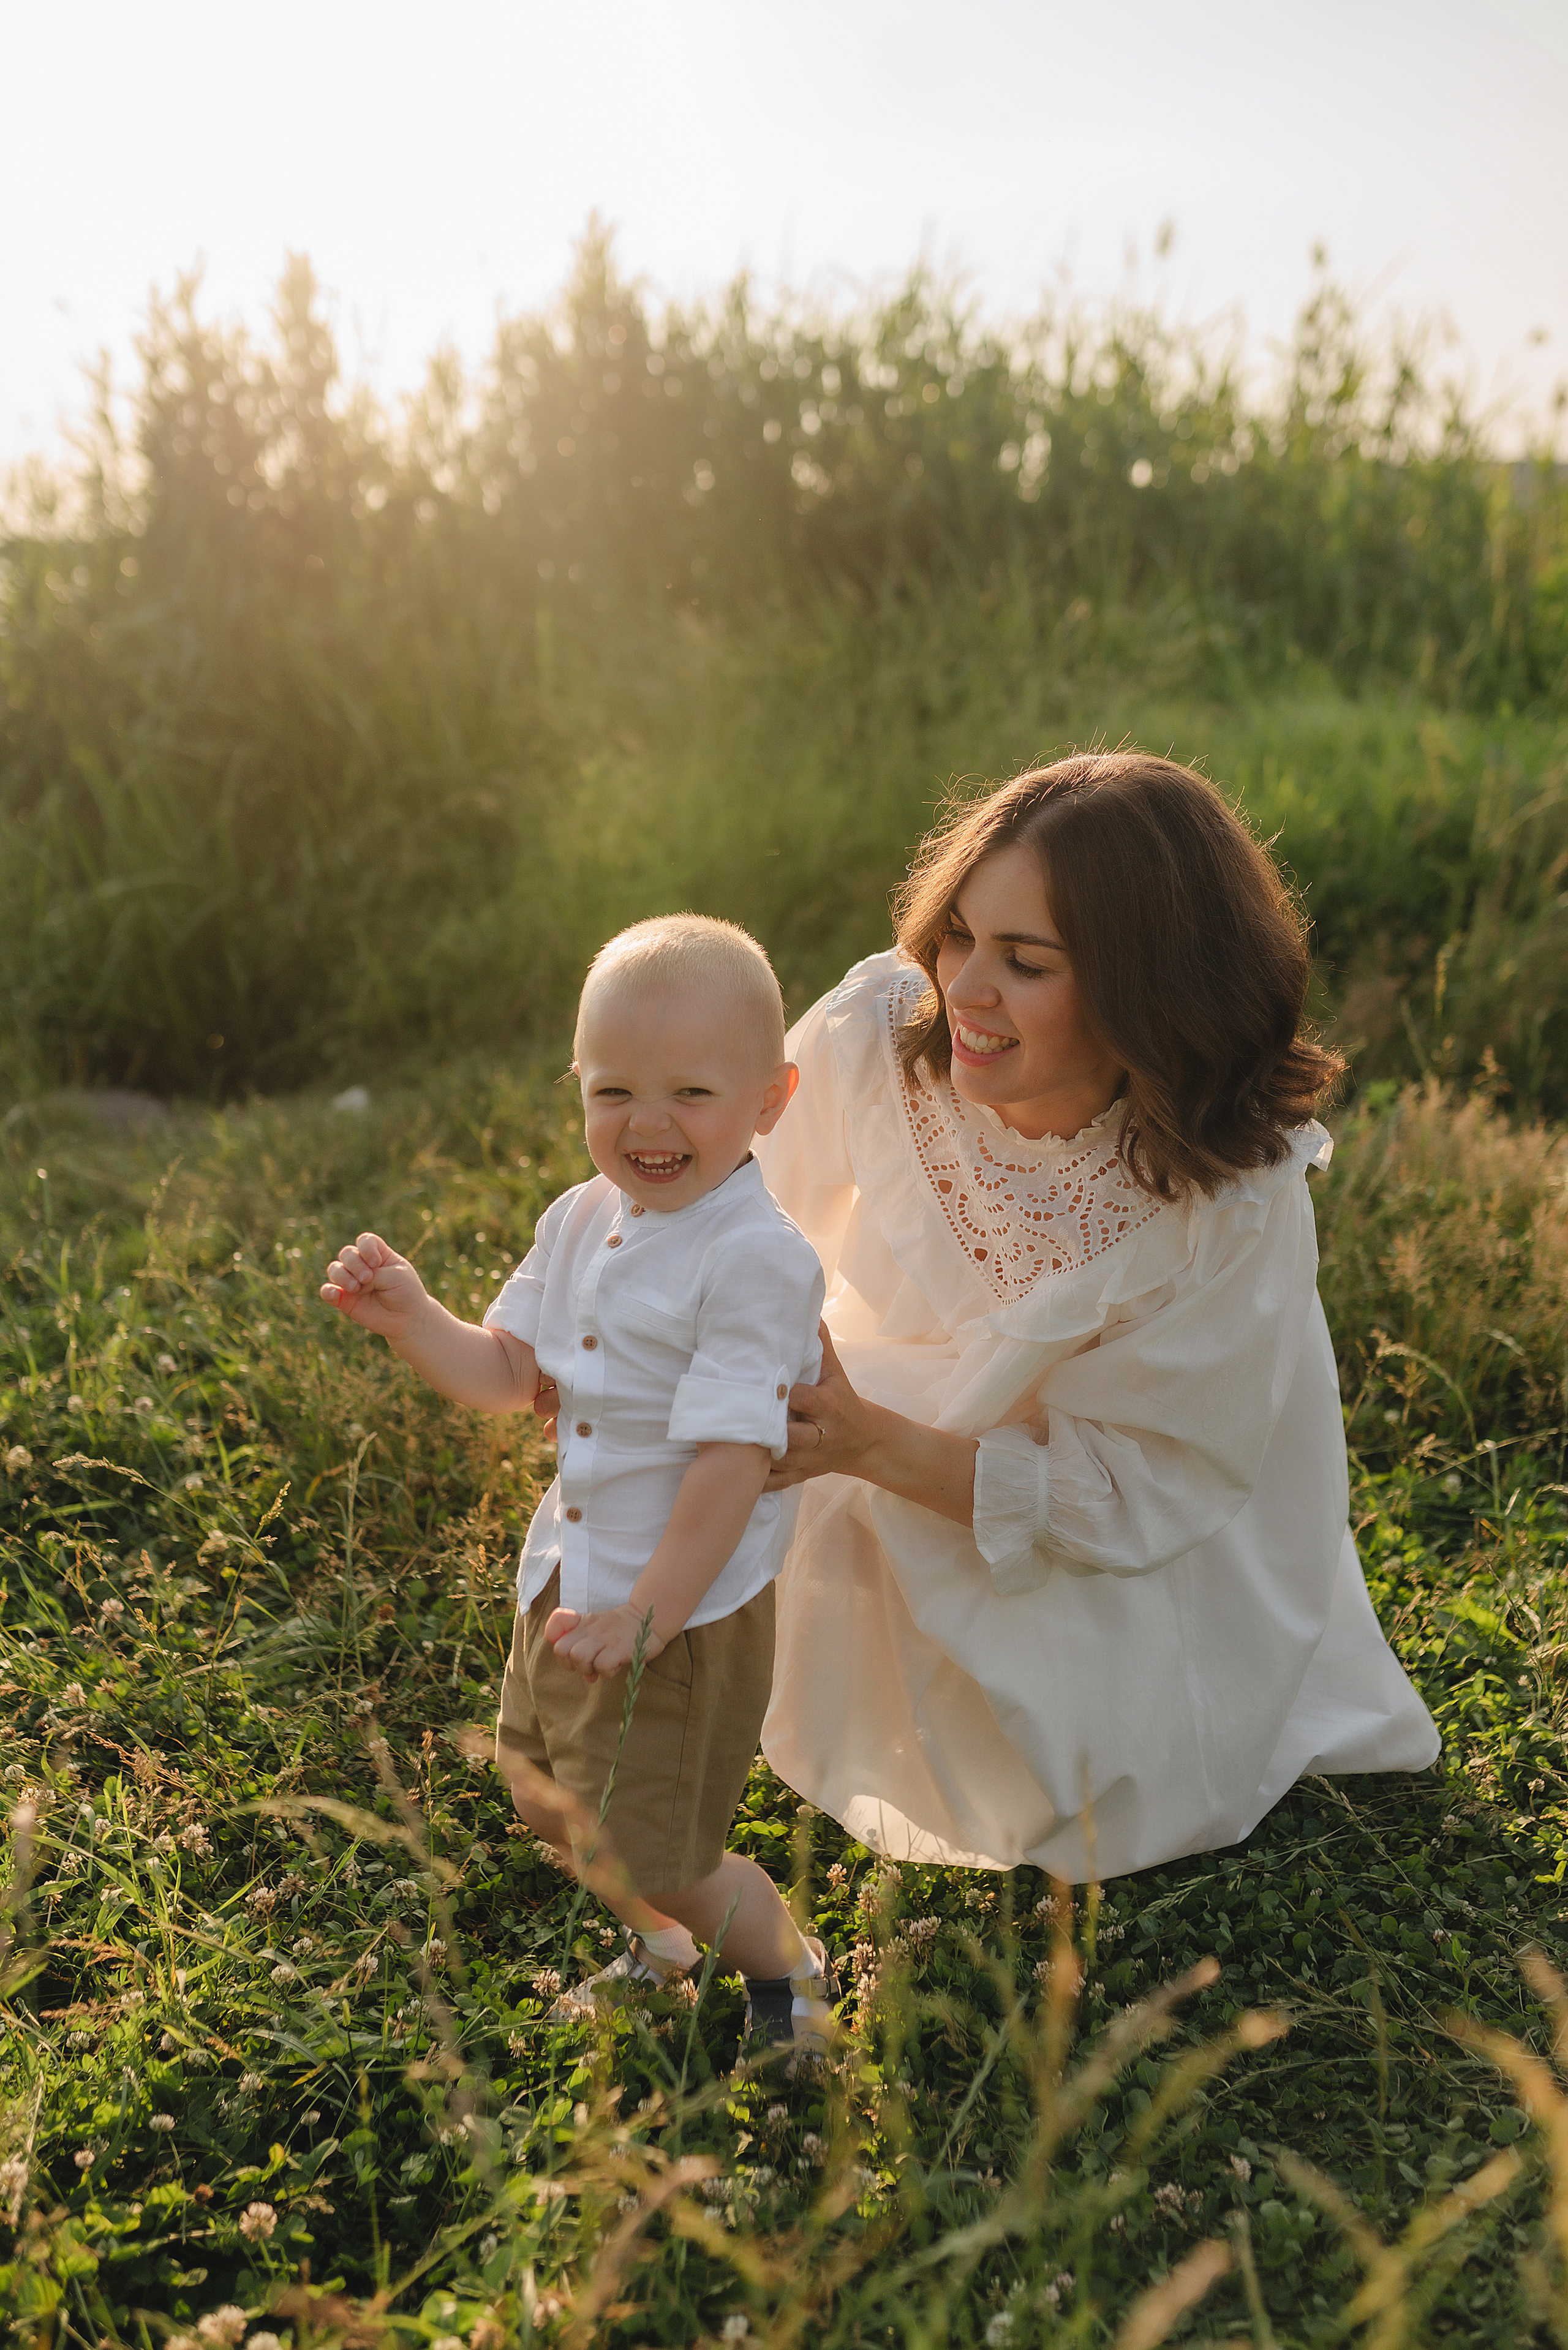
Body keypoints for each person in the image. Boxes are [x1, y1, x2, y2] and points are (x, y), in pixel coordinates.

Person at [755, 753, 1439, 1883]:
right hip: (899, 1418)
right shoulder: (882, 1029)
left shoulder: (1228, 1200)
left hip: (1120, 1534)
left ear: (1145, 987)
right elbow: (732, 1206)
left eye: (1026, 962)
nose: (966, 988)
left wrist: (873, 1445)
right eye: (958, 936)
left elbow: (1141, 1491)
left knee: (1072, 1781)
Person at [321, 914, 835, 2051]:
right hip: (568, 1576)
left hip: (678, 1610)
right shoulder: (581, 1217)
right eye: (614, 1092)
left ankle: (788, 1976)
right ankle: (664, 1945)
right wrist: (415, 1319)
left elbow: (733, 1463)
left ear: (770, 1099)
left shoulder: (755, 1257)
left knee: (667, 1851)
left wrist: (650, 1612)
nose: (647, 1123)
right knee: (546, 1797)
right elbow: (511, 1373)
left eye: (690, 1092)